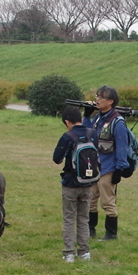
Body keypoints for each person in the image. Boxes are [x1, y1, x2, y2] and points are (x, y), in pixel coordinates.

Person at [87, 85, 137, 241]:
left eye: (101, 97)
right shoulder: (98, 117)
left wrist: (119, 170)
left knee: (107, 201)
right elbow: (87, 133)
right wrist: (86, 116)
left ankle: (111, 233)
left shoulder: (118, 122)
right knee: (90, 199)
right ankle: (90, 229)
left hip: (109, 168)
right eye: (97, 96)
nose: (97, 99)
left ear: (110, 101)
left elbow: (122, 146)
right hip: (95, 166)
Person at [54, 106, 94, 263]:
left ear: (67, 122)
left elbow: (56, 158)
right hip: (88, 182)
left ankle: (69, 253)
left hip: (71, 183)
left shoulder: (67, 137)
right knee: (84, 218)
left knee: (69, 218)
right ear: (81, 119)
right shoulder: (92, 133)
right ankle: (84, 252)